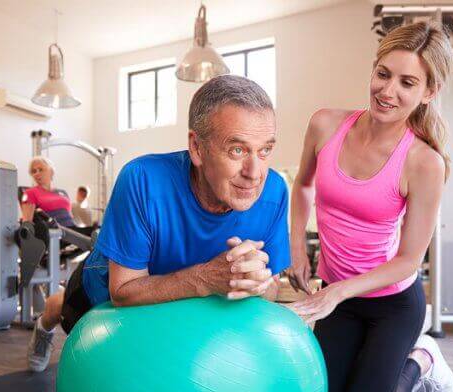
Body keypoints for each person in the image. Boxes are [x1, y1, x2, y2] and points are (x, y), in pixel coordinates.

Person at [27, 75, 289, 372]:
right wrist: (206, 278)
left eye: (265, 150)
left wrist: (255, 281)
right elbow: (123, 292)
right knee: (60, 308)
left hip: (187, 303)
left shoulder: (275, 192)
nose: (255, 173)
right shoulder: (142, 178)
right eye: (237, 150)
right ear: (197, 148)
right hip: (110, 294)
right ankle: (43, 326)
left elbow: (272, 289)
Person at [286, 21, 453, 392]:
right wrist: (297, 249)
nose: (388, 91)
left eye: (407, 82)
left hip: (392, 304)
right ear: (373, 69)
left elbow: (408, 262)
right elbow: (303, 185)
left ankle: (423, 358)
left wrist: (336, 292)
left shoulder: (423, 162)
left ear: (428, 92)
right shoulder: (326, 124)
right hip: (339, 298)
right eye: (383, 74)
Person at [20, 156, 79, 229]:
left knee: (94, 231)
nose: (37, 173)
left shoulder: (63, 193)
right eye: (34, 171)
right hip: (56, 232)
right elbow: (27, 224)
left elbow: (70, 217)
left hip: (73, 230)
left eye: (41, 169)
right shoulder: (30, 193)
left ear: (51, 171)